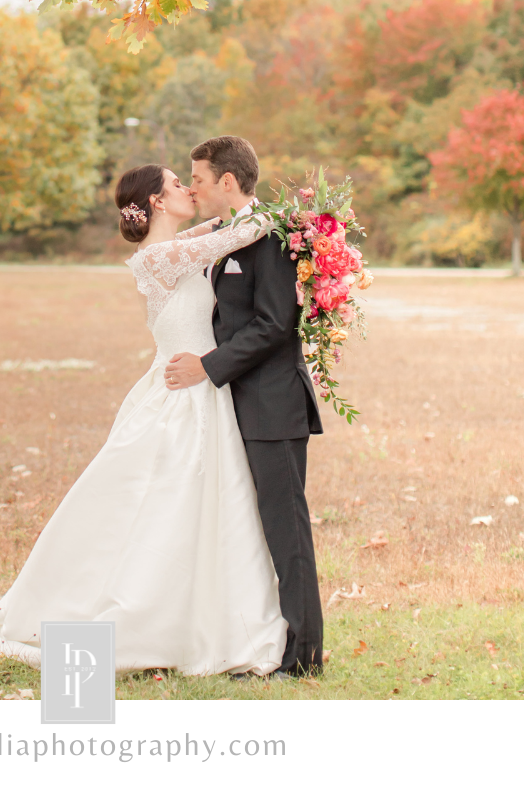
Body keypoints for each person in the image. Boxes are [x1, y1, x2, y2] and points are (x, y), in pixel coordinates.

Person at [0, 162, 288, 676]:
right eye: (178, 183)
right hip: (182, 396)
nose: (188, 189)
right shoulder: (162, 257)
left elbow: (213, 231)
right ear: (155, 200)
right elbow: (239, 233)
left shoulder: (172, 246)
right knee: (170, 504)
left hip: (200, 389)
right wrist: (293, 218)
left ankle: (207, 606)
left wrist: (231, 218)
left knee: (201, 506)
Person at [165, 135, 324, 676]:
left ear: (227, 182)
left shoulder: (270, 235)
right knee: (257, 529)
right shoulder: (230, 234)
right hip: (237, 408)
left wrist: (207, 366)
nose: (195, 187)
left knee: (287, 530)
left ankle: (304, 657)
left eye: (201, 179)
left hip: (273, 406)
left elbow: (276, 324)